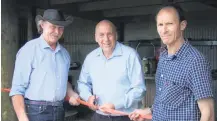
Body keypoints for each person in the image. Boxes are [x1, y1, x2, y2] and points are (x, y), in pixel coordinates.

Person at [129, 4, 215, 121]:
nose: (164, 30)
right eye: (160, 24)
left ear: (182, 25)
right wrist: (147, 112)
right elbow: (166, 101)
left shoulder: (195, 61)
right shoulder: (164, 57)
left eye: (169, 24)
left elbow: (208, 114)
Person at [9, 9, 80, 121]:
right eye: (53, 27)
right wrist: (22, 118)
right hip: (35, 112)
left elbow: (62, 81)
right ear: (42, 25)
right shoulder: (29, 50)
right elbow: (17, 89)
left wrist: (71, 93)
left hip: (59, 110)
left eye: (60, 27)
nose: (57, 32)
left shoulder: (64, 54)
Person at [77, 20, 146, 121]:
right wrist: (88, 98)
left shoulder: (130, 55)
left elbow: (139, 89)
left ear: (116, 35)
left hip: (125, 116)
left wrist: (116, 104)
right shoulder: (90, 58)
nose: (106, 39)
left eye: (109, 34)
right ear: (95, 37)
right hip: (99, 116)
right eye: (101, 35)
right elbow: (82, 83)